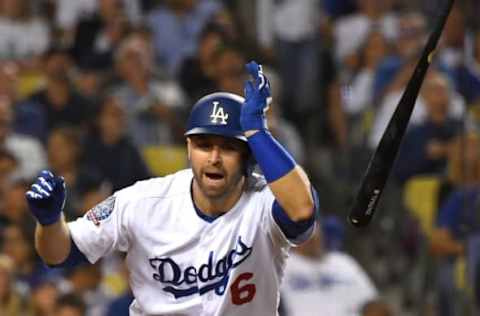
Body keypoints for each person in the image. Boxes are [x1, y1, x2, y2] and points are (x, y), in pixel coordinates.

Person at [25, 61, 318, 315]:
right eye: (204, 145)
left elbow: (302, 211)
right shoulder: (143, 200)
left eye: (228, 148)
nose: (214, 158)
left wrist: (257, 132)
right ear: (189, 148)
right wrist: (49, 221)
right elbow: (59, 253)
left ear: (247, 155)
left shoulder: (265, 201)